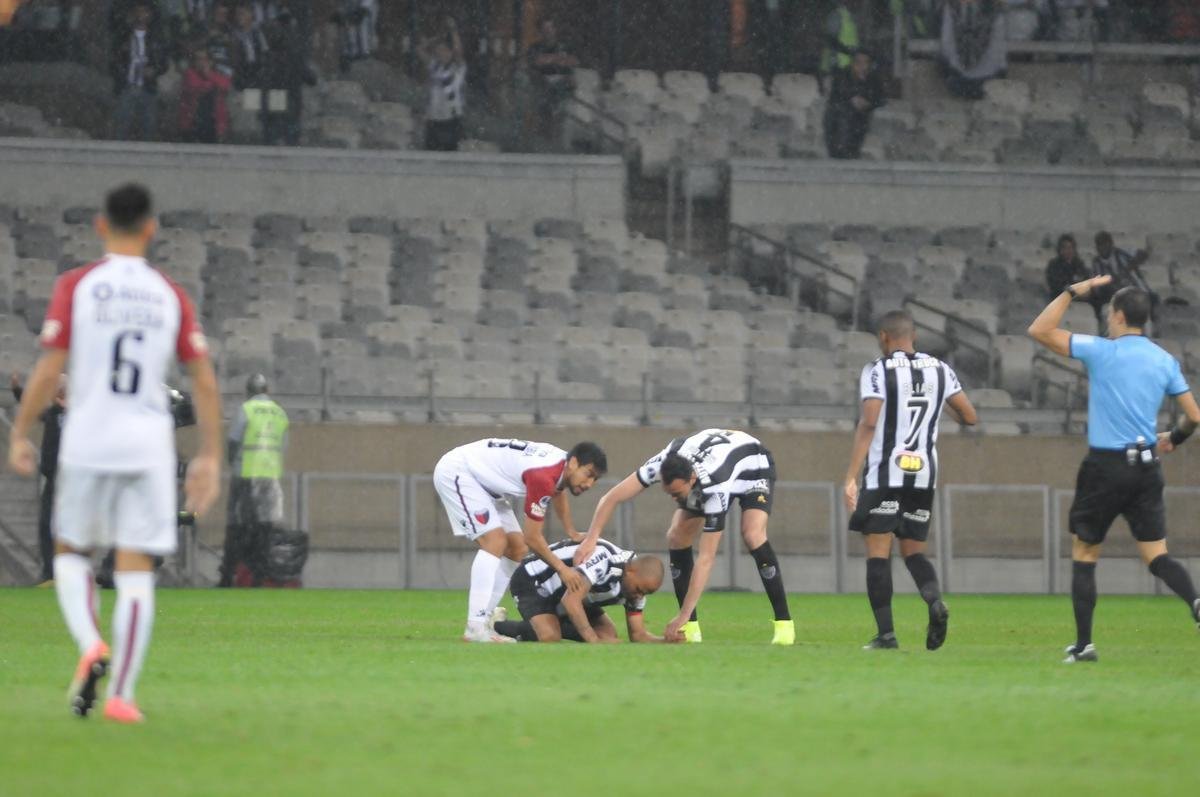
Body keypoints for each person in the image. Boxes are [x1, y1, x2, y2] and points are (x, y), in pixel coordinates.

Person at [7, 183, 222, 722]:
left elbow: (50, 368)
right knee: (134, 571)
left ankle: (90, 645)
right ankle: (122, 696)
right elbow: (203, 380)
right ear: (151, 229)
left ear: (101, 226)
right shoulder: (169, 293)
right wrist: (210, 456)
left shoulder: (78, 285)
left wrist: (20, 431)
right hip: (147, 443)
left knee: (71, 554)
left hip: (89, 438)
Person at [1028, 276, 1200, 662]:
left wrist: (1073, 291)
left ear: (1119, 316)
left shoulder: (1101, 351)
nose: (1108, 320)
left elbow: (1039, 330)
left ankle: (1084, 644)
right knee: (1157, 555)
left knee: (1085, 552)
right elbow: (1194, 416)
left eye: (1109, 314)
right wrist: (1174, 437)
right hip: (1146, 467)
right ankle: (1196, 600)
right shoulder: (1164, 359)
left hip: (1106, 466)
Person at [575, 429, 794, 645]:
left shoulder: (715, 488)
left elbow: (706, 559)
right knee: (677, 536)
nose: (674, 500)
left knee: (752, 534)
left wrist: (683, 613)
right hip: (710, 462)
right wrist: (591, 539)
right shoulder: (658, 466)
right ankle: (691, 628)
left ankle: (784, 625)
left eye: (678, 494)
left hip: (752, 464)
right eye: (669, 494)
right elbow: (610, 498)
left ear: (691, 479)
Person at [842, 310, 978, 651]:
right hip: (923, 475)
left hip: (886, 470)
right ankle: (933, 601)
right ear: (913, 336)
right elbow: (970, 417)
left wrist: (850, 476)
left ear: (885, 337)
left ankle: (886, 635)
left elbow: (870, 422)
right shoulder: (940, 370)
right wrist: (936, 403)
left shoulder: (877, 369)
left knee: (878, 550)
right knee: (914, 551)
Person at [432, 437, 607, 642]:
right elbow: (533, 538)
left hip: (484, 482)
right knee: (495, 542)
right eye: (589, 474)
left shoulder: (561, 464)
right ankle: (475, 627)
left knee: (516, 548)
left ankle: (484, 621)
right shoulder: (543, 475)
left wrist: (571, 531)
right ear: (575, 463)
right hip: (459, 472)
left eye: (595, 479)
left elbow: (558, 492)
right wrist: (563, 569)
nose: (589, 483)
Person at [493, 538, 671, 643]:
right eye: (639, 589)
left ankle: (551, 622)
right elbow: (570, 600)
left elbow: (637, 634)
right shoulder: (606, 559)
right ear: (631, 570)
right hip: (533, 579)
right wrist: (592, 640)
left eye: (645, 593)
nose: (639, 596)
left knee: (608, 636)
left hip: (568, 593)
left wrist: (665, 642)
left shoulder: (635, 587)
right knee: (549, 635)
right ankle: (495, 625)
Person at [220, 373, 288, 587]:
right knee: (264, 527)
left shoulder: (246, 409)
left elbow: (233, 440)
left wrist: (232, 462)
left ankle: (228, 575)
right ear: (267, 390)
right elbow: (283, 447)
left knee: (237, 525)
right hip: (271, 477)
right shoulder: (280, 413)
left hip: (246, 474)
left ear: (248, 391)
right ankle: (259, 575)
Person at [10, 371, 65, 586]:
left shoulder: (79, 413)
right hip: (53, 479)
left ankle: (68, 574)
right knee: (46, 525)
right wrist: (16, 390)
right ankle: (49, 573)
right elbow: (29, 406)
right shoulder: (51, 412)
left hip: (73, 480)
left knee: (66, 528)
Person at [110, 2, 167, 141]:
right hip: (126, 86)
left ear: (150, 15)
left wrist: (154, 70)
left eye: (144, 12)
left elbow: (164, 63)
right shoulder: (122, 37)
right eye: (138, 12)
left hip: (148, 88)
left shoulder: (156, 38)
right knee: (121, 125)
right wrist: (122, 72)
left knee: (148, 126)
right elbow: (112, 61)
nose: (140, 15)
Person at [939, 0, 1006, 100]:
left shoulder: (952, 7)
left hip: (960, 84)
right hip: (990, 82)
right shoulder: (995, 8)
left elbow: (946, 46)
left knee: (940, 57)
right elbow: (1000, 55)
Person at [823, 49, 884, 159]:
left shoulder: (873, 79)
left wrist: (867, 103)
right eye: (858, 62)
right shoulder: (842, 76)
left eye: (865, 63)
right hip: (841, 115)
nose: (861, 66)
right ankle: (840, 151)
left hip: (861, 118)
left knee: (851, 120)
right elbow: (835, 97)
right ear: (852, 63)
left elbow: (881, 99)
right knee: (839, 115)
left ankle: (846, 151)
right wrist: (851, 99)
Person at [526, 18, 579, 142]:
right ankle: (544, 140)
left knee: (561, 106)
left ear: (555, 30)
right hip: (541, 86)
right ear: (540, 31)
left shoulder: (564, 47)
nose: (547, 32)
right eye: (544, 29)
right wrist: (555, 61)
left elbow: (571, 65)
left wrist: (548, 62)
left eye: (550, 28)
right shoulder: (534, 48)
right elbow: (533, 65)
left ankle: (558, 142)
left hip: (561, 87)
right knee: (543, 105)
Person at [421, 17, 466, 152]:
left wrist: (453, 31)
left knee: (450, 153)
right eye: (439, 51)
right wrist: (437, 37)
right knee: (430, 152)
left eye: (445, 51)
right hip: (434, 117)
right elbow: (420, 49)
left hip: (450, 118)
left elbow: (458, 51)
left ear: (450, 53)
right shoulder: (434, 67)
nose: (442, 54)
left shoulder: (457, 68)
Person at [178, 46, 232, 143]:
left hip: (215, 123)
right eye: (198, 59)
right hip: (193, 122)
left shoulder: (218, 74)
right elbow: (194, 87)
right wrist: (211, 82)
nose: (201, 62)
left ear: (211, 61)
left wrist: (208, 75)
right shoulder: (189, 73)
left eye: (204, 59)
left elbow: (225, 86)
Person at [819, 1, 859, 90]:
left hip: (847, 65)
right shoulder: (836, 16)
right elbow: (831, 40)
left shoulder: (850, 17)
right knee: (835, 95)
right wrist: (848, 51)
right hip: (836, 64)